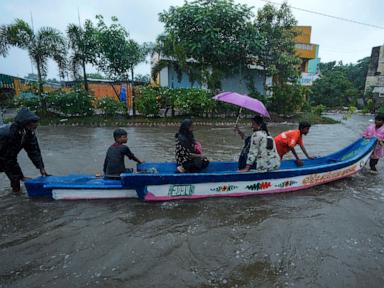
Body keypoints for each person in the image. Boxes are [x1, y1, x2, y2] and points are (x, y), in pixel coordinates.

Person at [0, 108, 48, 192]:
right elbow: (9, 159)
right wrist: (21, 176)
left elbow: (34, 151)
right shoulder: (10, 134)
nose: (36, 125)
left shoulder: (29, 133)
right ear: (25, 123)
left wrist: (41, 167)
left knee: (15, 178)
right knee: (15, 177)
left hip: (5, 157)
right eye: (33, 123)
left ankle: (16, 196)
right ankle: (14, 198)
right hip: (3, 155)